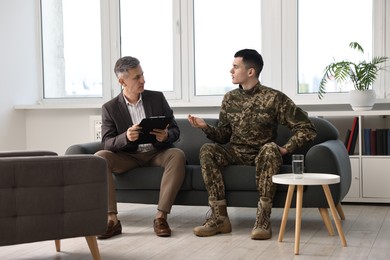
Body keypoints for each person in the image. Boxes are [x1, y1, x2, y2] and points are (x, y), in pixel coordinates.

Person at [188, 49, 316, 240]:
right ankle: (219, 218)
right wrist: (205, 127)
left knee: (271, 148)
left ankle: (263, 220)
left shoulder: (274, 98)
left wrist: (287, 148)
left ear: (250, 72)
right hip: (235, 152)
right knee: (208, 150)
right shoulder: (229, 98)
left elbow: (307, 128)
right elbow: (223, 136)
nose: (230, 71)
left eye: (235, 66)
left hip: (262, 155)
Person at [95, 56, 186, 239]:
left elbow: (176, 129)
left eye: (142, 75)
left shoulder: (157, 98)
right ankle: (112, 220)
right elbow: (107, 142)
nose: (143, 80)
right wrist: (126, 137)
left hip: (156, 153)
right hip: (128, 157)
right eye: (137, 77)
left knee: (177, 154)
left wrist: (166, 135)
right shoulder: (110, 108)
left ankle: (161, 217)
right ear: (122, 81)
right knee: (100, 156)